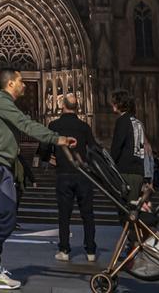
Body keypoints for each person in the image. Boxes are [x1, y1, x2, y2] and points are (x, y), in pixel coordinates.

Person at [0, 68, 76, 292]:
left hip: (1, 166)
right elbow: (26, 124)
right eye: (20, 81)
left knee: (0, 220)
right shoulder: (1, 101)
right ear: (10, 84)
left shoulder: (3, 103)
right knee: (7, 218)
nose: (24, 84)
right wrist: (58, 139)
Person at [41, 92, 98, 263]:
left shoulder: (54, 124)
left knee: (64, 214)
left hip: (63, 174)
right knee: (87, 214)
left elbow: (44, 148)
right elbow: (93, 150)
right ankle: (90, 251)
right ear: (77, 107)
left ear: (62, 105)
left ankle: (64, 249)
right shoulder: (84, 127)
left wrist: (50, 159)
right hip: (82, 174)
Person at [107, 89, 146, 205]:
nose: (112, 104)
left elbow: (117, 146)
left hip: (126, 172)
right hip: (138, 172)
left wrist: (109, 164)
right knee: (134, 208)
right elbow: (141, 149)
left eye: (114, 102)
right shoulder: (138, 122)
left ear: (120, 104)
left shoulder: (122, 121)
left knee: (126, 210)